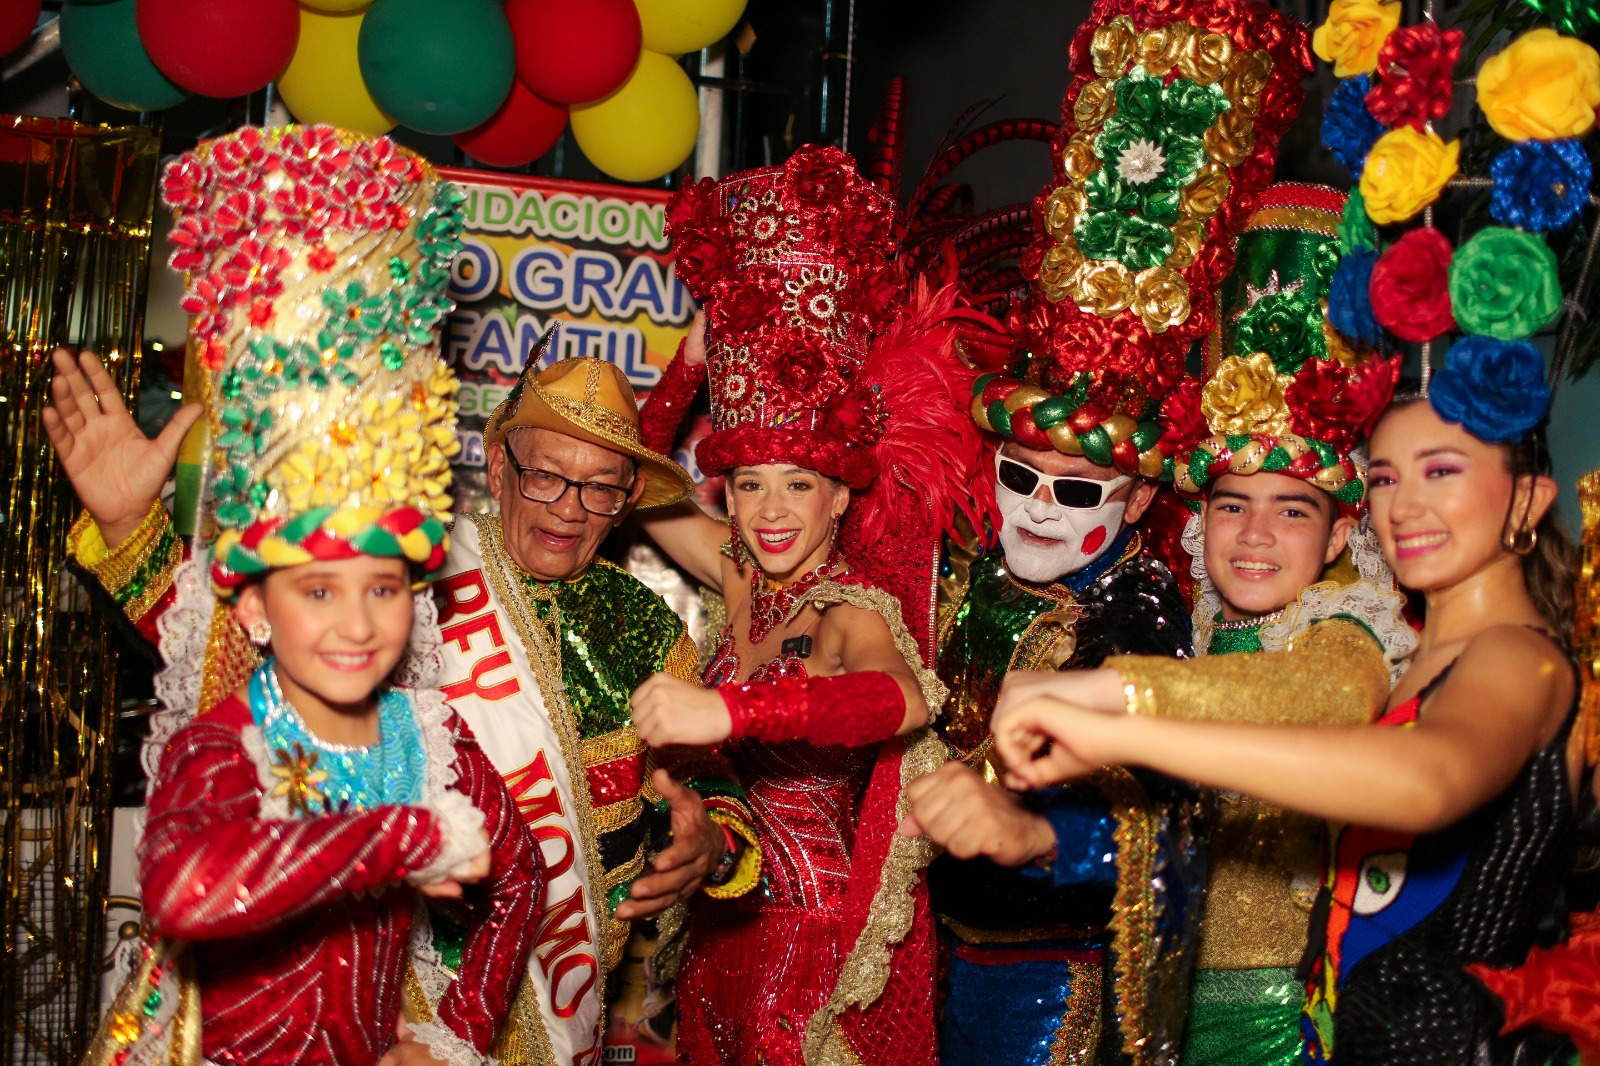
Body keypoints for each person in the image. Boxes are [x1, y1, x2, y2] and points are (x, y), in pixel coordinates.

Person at [56, 124, 757, 1066]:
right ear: (497, 466)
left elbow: (697, 776)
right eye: (547, 474)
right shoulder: (424, 567)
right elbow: (226, 643)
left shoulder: (643, 624)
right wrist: (127, 530)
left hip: (544, 1014)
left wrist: (711, 837)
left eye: (600, 488)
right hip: (369, 991)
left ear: (630, 499)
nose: (569, 507)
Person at [61, 124, 542, 1066]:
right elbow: (185, 889)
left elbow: (519, 879)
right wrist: (400, 836)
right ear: (251, 608)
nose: (359, 623)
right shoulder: (228, 740)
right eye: (318, 589)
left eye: (386, 587)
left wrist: (449, 1041)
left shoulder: (422, 734)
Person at [895, 2, 1316, 1060]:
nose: (1039, 506)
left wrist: (1032, 833)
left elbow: (1165, 823)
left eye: (1079, 492)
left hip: (1052, 998)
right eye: (1019, 474)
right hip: (914, 958)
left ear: (1135, 502)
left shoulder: (1140, 613)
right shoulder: (956, 573)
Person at [992, 350, 1581, 1062]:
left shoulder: (1504, 655)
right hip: (1315, 1019)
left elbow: (1415, 773)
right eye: (1387, 478)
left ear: (1526, 500)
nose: (1406, 505)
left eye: (1442, 471)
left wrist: (1125, 704)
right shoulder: (1424, 658)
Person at [628, 144, 977, 1064]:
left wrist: (729, 707)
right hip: (716, 939)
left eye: (799, 484)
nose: (773, 511)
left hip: (808, 955)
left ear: (841, 494)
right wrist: (684, 372)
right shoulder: (741, 575)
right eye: (749, 484)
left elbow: (903, 700)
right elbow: (635, 487)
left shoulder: (846, 610)